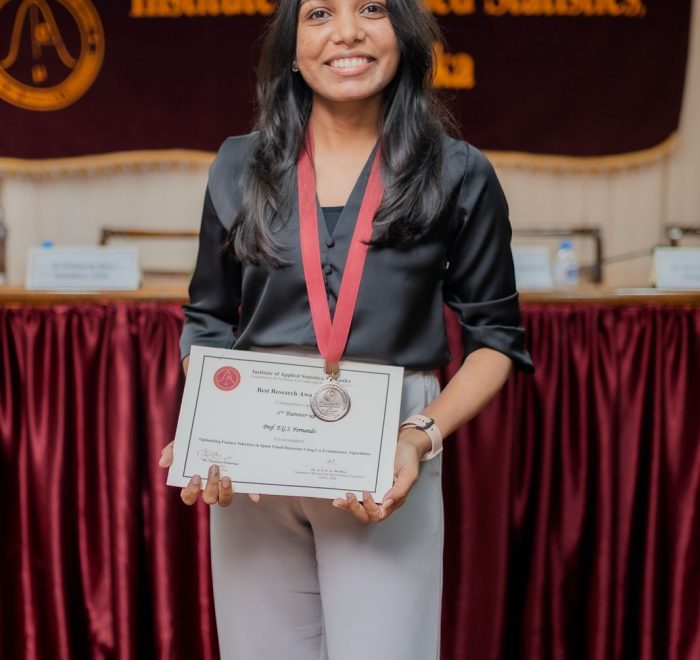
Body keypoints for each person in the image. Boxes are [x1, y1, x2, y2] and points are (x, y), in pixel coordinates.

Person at [159, 0, 534, 656]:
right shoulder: (238, 165)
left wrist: (418, 438)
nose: (347, 32)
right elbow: (209, 317)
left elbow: (496, 339)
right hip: (256, 451)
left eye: (372, 8)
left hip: (386, 449)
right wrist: (210, 425)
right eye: (319, 14)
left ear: (405, 34)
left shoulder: (457, 172)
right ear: (292, 46)